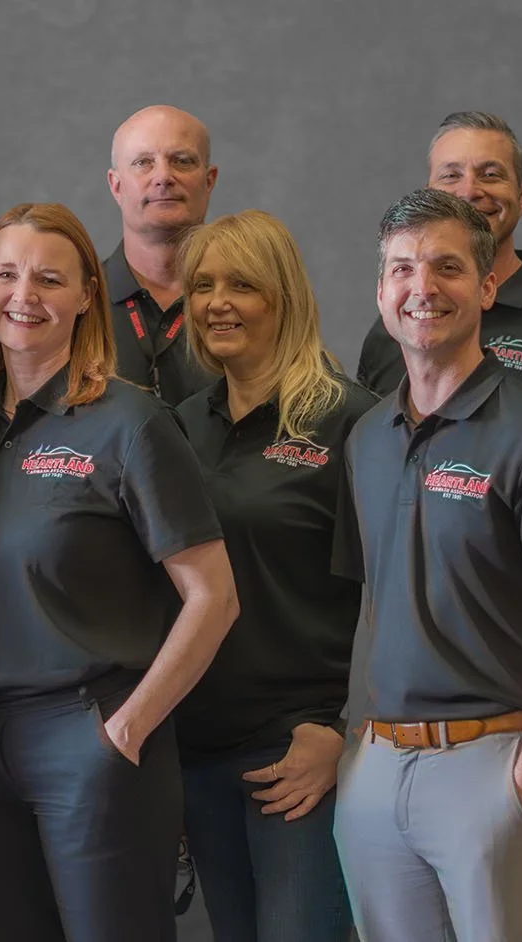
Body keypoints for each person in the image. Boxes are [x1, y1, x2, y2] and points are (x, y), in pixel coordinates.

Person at [0, 202, 239, 941]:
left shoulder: (130, 423)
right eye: (5, 274)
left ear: (86, 295)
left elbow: (213, 597)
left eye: (49, 278)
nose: (23, 296)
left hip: (90, 736)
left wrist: (125, 730)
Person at [331, 188, 522, 940]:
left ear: (487, 286)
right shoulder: (366, 441)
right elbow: (378, 607)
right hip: (378, 767)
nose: (422, 287)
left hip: (492, 762)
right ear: (381, 290)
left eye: (447, 267)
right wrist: (363, 754)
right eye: (402, 269)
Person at [169, 210, 374, 942]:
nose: (217, 302)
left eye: (242, 285)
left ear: (284, 297)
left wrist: (338, 730)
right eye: (203, 285)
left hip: (297, 753)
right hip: (195, 754)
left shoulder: (353, 424)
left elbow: (394, 597)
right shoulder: (179, 426)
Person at [354, 112, 522, 394]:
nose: (469, 191)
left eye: (490, 175)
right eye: (451, 176)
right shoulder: (396, 328)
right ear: (428, 195)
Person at [102, 104, 221, 404]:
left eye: (181, 161)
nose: (163, 176)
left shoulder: (252, 305)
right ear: (116, 186)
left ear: (209, 181)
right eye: (143, 163)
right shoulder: (77, 303)